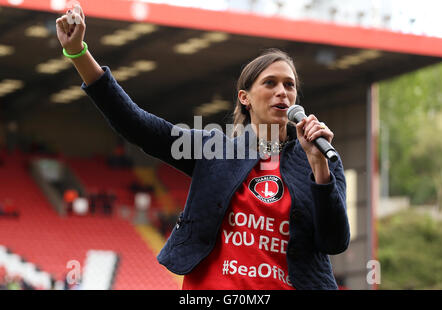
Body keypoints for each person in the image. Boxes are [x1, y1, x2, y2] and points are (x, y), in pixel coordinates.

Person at [56, 5, 350, 290]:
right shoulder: (215, 149)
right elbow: (138, 126)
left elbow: (334, 241)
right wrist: (78, 53)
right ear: (245, 98)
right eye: (270, 83)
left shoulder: (320, 158)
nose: (282, 92)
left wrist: (319, 168)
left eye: (289, 85)